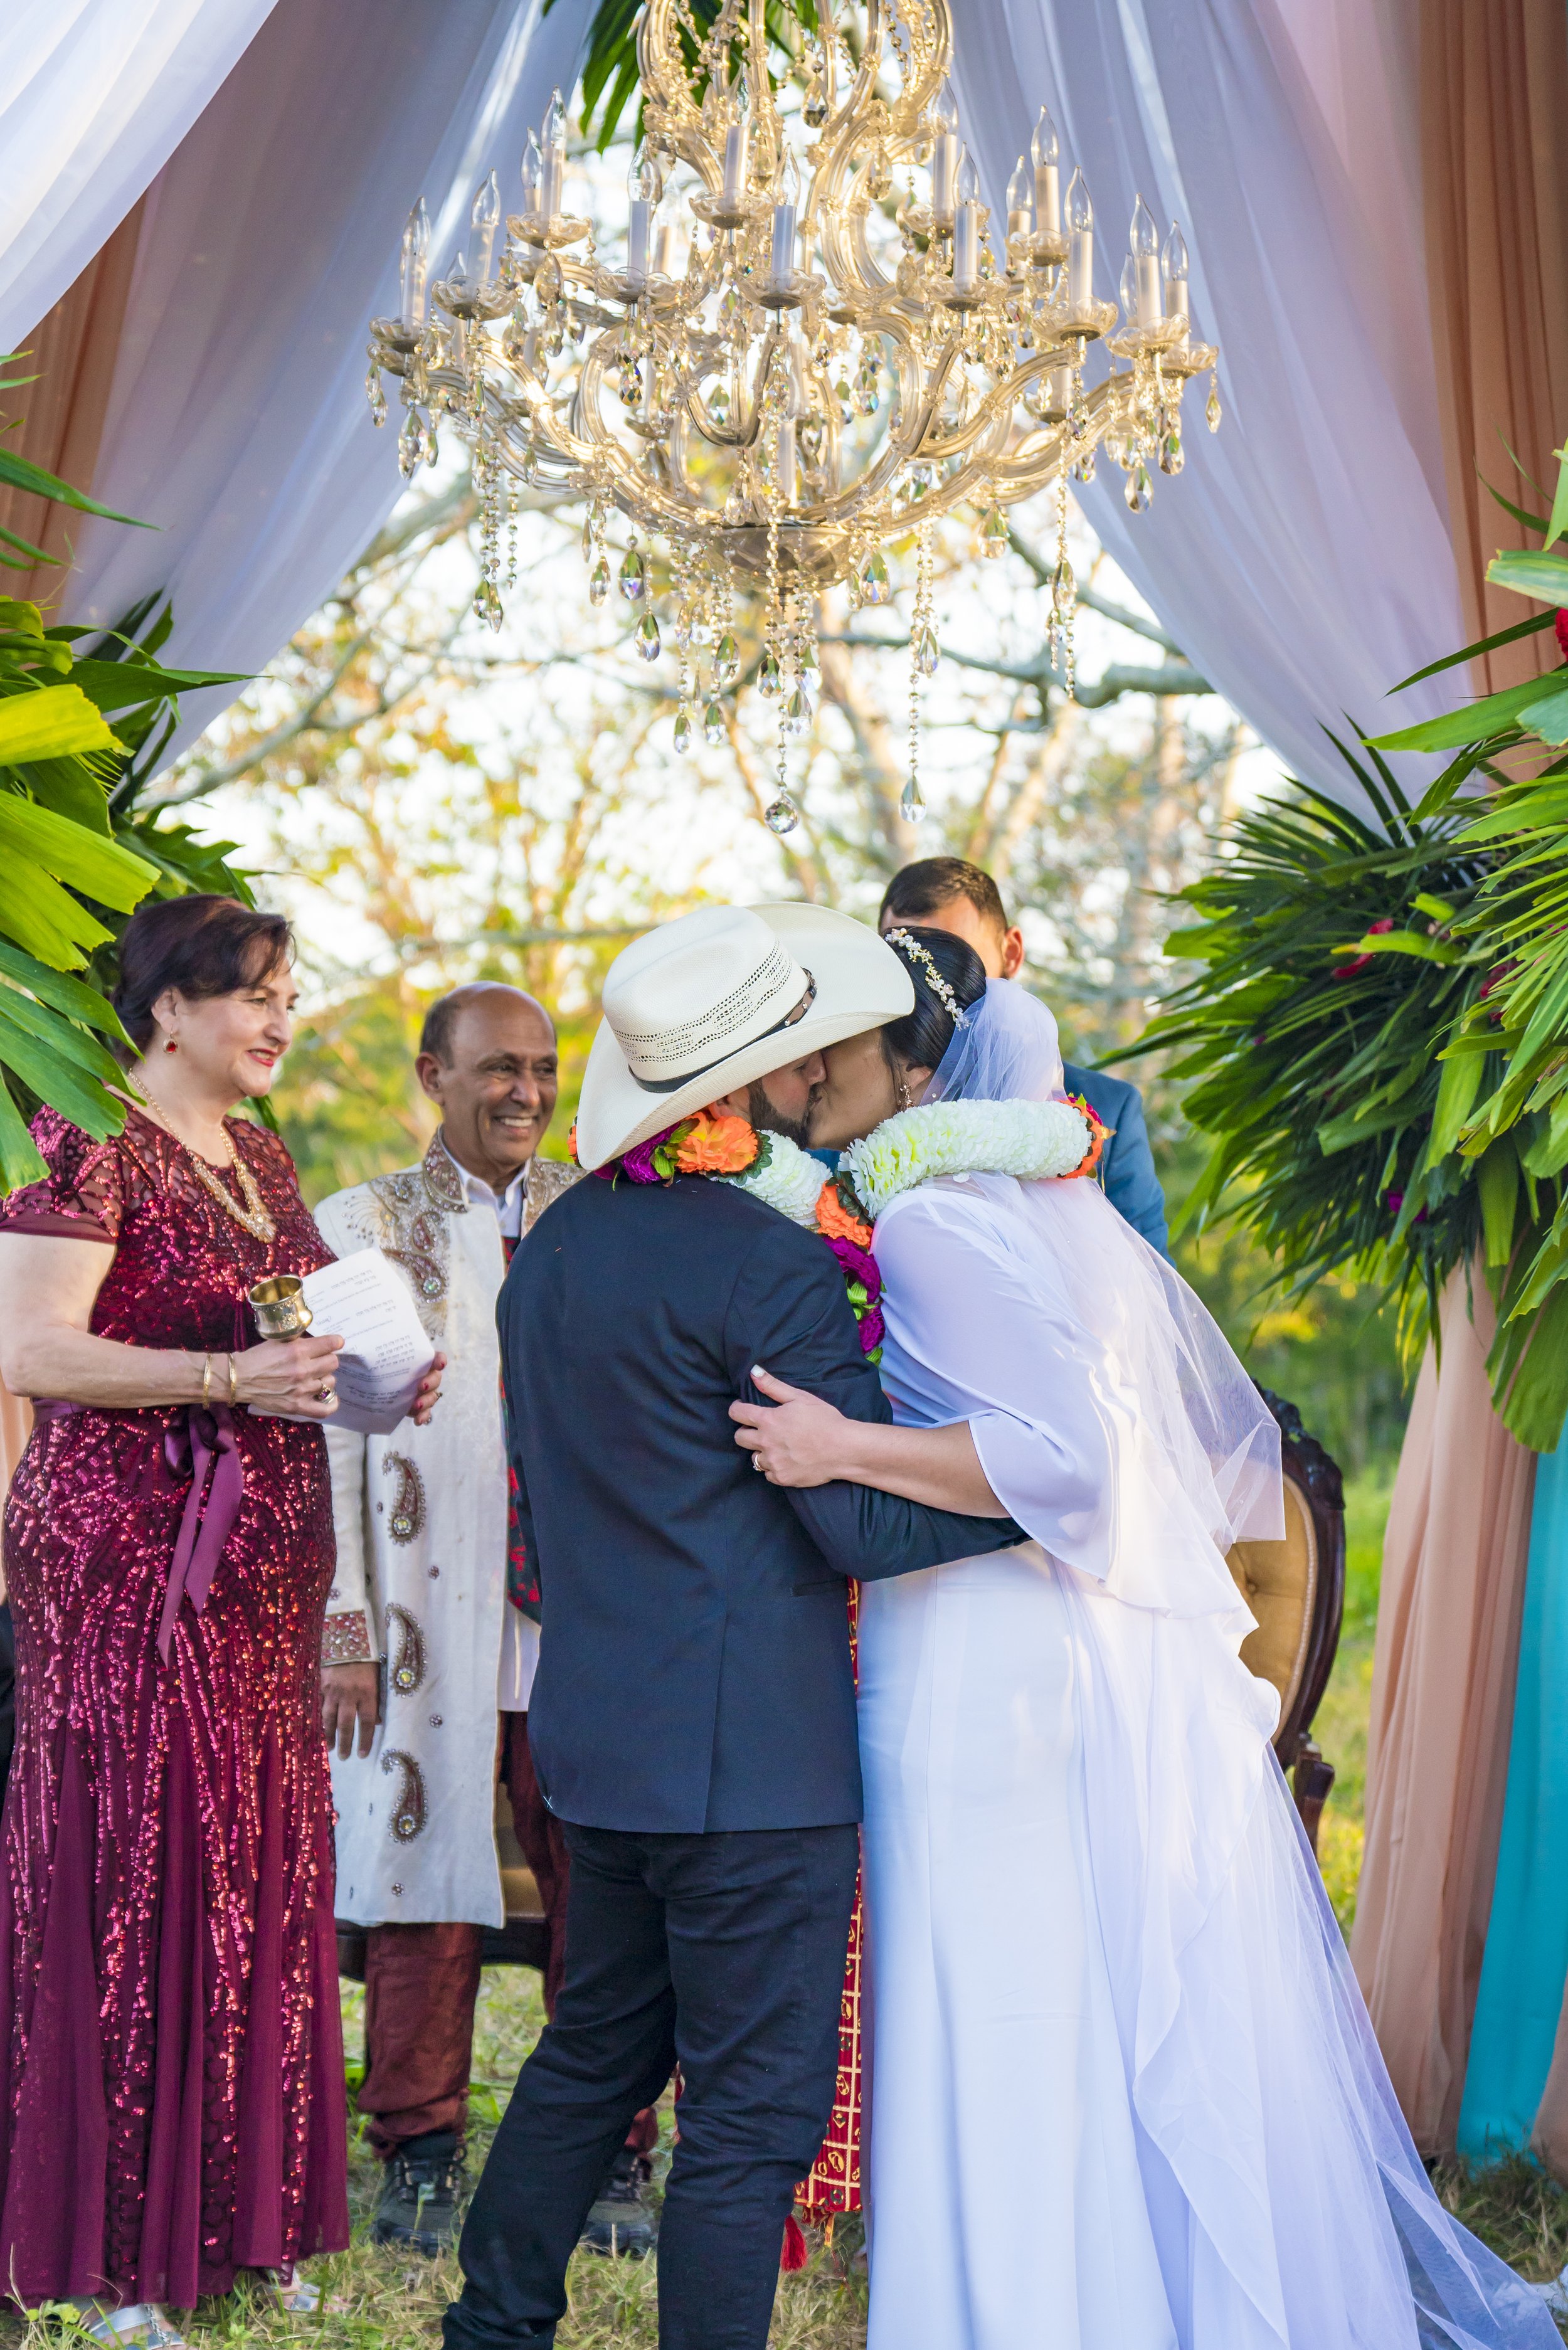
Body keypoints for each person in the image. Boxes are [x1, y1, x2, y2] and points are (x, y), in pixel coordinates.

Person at [733, 933, 1558, 2350]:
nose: (806, 1072)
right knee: (1041, 2004)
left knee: (988, 2007)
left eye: (839, 1047)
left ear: (916, 1066)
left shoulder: (933, 1220)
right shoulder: (1009, 1204)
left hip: (979, 1662)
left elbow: (1071, 1467)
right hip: (1020, 1652)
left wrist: (839, 1441)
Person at [443, 903, 1021, 2350]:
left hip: (600, 1736)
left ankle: (492, 2329)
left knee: (593, 2053)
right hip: (750, 1764)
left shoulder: (556, 1248)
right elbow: (857, 1521)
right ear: (760, 1074)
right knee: (749, 2121)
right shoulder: (771, 1268)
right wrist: (1033, 1499)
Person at [0, 894, 437, 2342]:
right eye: (255, 991)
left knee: (250, 1871)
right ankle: (117, 2253)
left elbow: (290, 1323)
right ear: (168, 1007)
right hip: (126, 1569)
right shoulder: (83, 1135)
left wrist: (377, 1373)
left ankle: (239, 2221)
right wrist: (227, 1384)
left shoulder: (258, 1153)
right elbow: (30, 1346)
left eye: (288, 992)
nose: (280, 1016)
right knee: (144, 1871)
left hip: (262, 1579)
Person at [315, 983, 657, 2256]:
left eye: (540, 1067)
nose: (523, 1089)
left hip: (589, 1614)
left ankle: (615, 2146)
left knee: (605, 1883)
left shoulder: (606, 1217)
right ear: (431, 1075)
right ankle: (417, 2148)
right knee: (426, 1877)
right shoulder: (359, 1229)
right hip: (422, 1613)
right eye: (494, 1068)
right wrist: (341, 1627)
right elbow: (326, 1445)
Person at [877, 855, 1170, 1254]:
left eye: (955, 964)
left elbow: (1152, 1285)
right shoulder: (851, 1112)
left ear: (1011, 952)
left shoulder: (1108, 1109)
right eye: (907, 966)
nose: (927, 993)